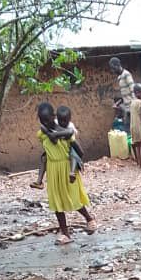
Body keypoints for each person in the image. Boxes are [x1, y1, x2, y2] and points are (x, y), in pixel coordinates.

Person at [36, 101, 95, 244]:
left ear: (53, 116)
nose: (45, 122)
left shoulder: (65, 132)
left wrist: (73, 165)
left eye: (48, 118)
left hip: (68, 169)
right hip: (53, 170)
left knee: (73, 198)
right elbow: (46, 146)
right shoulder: (42, 135)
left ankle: (89, 219)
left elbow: (80, 152)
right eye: (42, 120)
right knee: (57, 203)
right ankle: (65, 233)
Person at [109, 56, 134, 123]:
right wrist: (118, 103)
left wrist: (134, 104)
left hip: (131, 107)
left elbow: (132, 89)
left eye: (113, 68)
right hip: (126, 107)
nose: (113, 71)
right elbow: (125, 93)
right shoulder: (119, 77)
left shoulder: (126, 74)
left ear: (118, 65)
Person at [130, 82, 141, 169]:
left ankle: (140, 166)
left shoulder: (132, 103)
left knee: (137, 146)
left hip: (133, 127)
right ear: (137, 93)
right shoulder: (140, 103)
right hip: (139, 127)